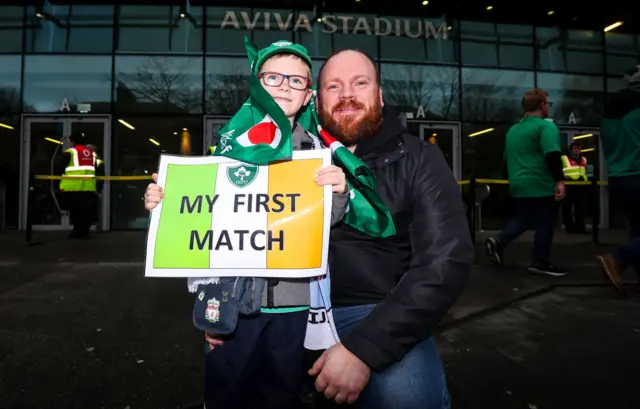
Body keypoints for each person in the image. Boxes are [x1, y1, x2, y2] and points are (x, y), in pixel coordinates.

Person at [144, 40, 349, 409]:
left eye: (296, 81)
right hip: (232, 302)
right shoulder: (229, 146)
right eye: (274, 77)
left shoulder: (317, 153)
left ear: (307, 97)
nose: (285, 86)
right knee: (226, 389)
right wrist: (163, 203)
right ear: (257, 84)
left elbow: (329, 222)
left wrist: (338, 192)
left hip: (293, 303)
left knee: (282, 394)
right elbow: (200, 218)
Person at [306, 49, 474, 408]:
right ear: (317, 101)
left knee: (407, 399)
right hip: (291, 311)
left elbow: (445, 262)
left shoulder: (419, 158)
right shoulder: (286, 155)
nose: (347, 94)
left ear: (379, 96)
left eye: (360, 83)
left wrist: (365, 350)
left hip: (379, 310)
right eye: (334, 86)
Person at [484, 89, 567, 277]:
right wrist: (559, 181)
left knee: (524, 218)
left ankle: (499, 241)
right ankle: (540, 262)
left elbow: (506, 159)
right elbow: (552, 155)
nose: (548, 107)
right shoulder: (546, 127)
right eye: (548, 103)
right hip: (540, 183)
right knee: (546, 222)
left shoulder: (514, 130)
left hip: (518, 182)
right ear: (541, 106)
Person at [597, 65, 640, 293]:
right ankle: (617, 259)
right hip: (637, 173)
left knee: (637, 229)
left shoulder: (611, 112)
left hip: (618, 178)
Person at [54, 133, 103, 239]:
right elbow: (98, 168)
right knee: (85, 212)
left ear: (72, 142)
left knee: (75, 212)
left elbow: (59, 166)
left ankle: (77, 233)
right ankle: (84, 232)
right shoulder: (91, 153)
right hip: (88, 187)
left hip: (73, 187)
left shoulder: (70, 152)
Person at [561, 142, 588, 233]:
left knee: (580, 208)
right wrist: (562, 176)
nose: (577, 150)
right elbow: (557, 169)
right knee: (567, 208)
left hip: (581, 186)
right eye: (575, 148)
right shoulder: (564, 158)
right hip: (569, 185)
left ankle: (580, 227)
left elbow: (584, 171)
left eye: (578, 149)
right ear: (571, 150)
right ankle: (570, 228)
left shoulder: (583, 159)